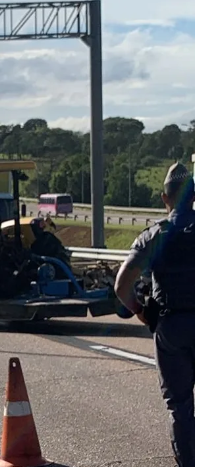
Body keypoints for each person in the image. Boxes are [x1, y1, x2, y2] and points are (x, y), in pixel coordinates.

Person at [115, 162, 194, 467]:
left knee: (180, 407)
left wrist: (140, 311)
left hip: (171, 326)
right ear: (194, 195)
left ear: (165, 198)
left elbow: (122, 286)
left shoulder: (154, 236)